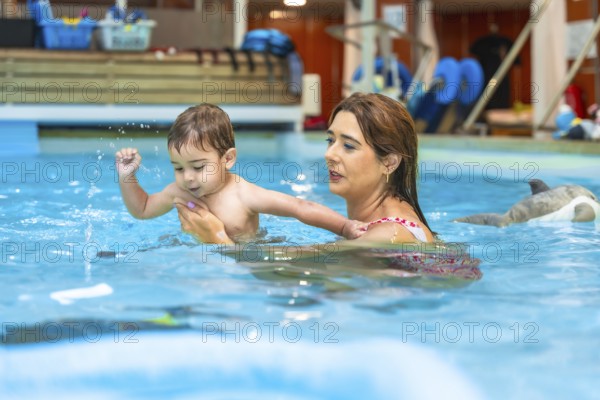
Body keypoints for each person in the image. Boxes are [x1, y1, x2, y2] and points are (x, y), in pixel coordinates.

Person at [177, 93, 436, 244]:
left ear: (389, 162)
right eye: (330, 140)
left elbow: (288, 274)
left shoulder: (388, 235)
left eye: (348, 146)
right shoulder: (379, 227)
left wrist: (218, 239)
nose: (329, 154)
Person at [115, 103, 366, 244]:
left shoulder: (243, 195)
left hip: (243, 262)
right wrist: (127, 176)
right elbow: (143, 209)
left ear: (228, 159)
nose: (188, 177)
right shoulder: (178, 192)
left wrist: (345, 227)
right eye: (178, 168)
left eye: (199, 167)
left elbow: (300, 207)